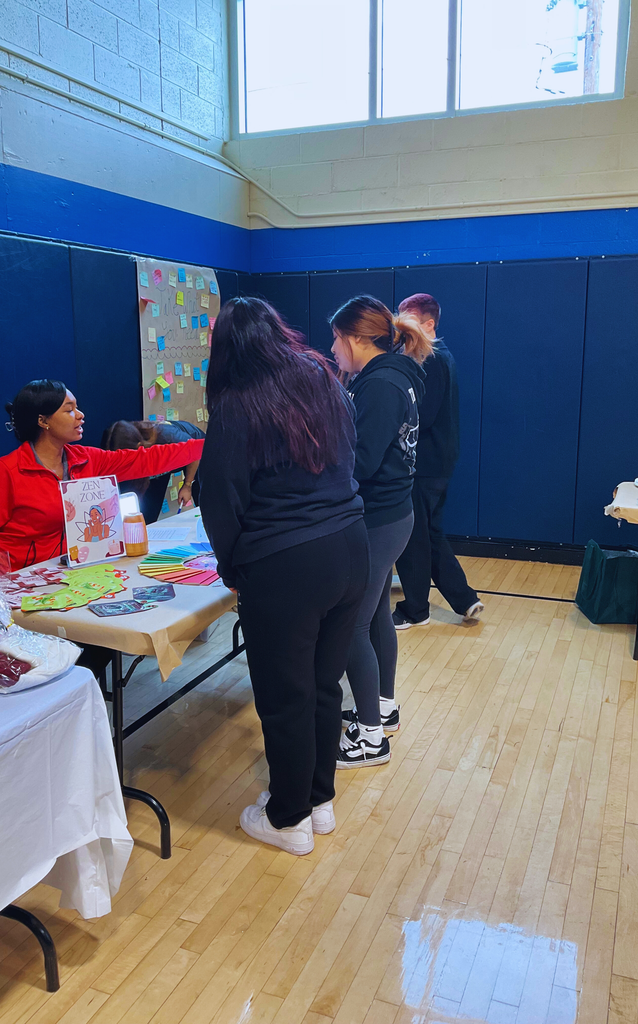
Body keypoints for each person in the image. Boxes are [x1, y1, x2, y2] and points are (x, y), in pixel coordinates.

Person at [198, 297, 369, 857]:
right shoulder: (321, 375)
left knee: (283, 695)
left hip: (286, 563)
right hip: (350, 546)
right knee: (323, 684)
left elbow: (221, 500)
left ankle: (287, 817)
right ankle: (319, 802)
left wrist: (233, 567)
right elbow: (348, 458)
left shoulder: (234, 403)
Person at [0, 380, 204, 576]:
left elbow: (147, 460)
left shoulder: (87, 459)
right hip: (11, 586)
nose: (80, 415)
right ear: (43, 421)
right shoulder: (5, 472)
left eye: (77, 408)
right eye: (69, 410)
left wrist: (209, 444)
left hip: (62, 577)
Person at [329, 295, 431, 767]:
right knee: (375, 618)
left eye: (335, 339)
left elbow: (362, 462)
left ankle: (370, 738)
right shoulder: (393, 374)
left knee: (350, 624)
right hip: (392, 514)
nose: (332, 349)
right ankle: (382, 708)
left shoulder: (380, 385)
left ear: (354, 338)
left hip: (379, 518)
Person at [391, 293, 483, 629]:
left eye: (409, 322)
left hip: (425, 464)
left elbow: (423, 416)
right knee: (430, 532)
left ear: (428, 324)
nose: (401, 329)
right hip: (438, 461)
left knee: (412, 537)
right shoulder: (436, 356)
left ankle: (415, 610)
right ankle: (464, 598)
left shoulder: (430, 359)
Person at [101, 419, 205, 522]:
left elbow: (196, 454)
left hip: (199, 457)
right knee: (148, 510)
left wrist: (187, 485)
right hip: (159, 464)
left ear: (138, 447)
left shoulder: (169, 437)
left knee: (204, 502)